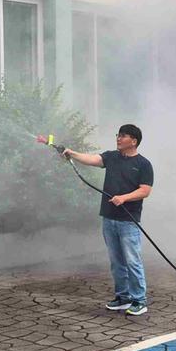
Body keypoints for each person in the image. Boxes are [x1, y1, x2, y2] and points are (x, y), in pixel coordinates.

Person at [64, 124, 154, 316]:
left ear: (134, 141)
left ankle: (139, 300)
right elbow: (92, 159)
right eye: (118, 135)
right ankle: (123, 297)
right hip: (109, 218)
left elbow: (145, 190)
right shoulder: (112, 157)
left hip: (128, 220)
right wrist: (72, 153)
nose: (118, 138)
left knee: (132, 261)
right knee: (116, 261)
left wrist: (124, 198)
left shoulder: (144, 164)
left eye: (123, 136)